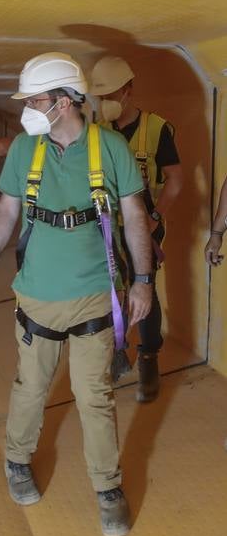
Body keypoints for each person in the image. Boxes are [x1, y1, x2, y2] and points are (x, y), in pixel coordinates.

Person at [0, 52, 153, 536]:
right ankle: (17, 461)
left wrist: (142, 280)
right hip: (36, 298)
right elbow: (7, 212)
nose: (28, 108)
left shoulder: (110, 148)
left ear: (65, 101)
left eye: (35, 99)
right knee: (30, 388)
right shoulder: (23, 149)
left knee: (94, 396)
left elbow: (135, 217)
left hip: (95, 296)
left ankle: (107, 488)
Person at [90, 56, 183, 402]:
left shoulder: (157, 129)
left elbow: (176, 180)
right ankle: (114, 352)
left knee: (144, 289)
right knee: (109, 291)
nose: (105, 102)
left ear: (128, 91)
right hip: (105, 226)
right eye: (100, 96)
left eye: (111, 93)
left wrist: (155, 216)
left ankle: (148, 357)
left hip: (144, 225)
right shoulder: (94, 130)